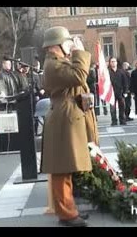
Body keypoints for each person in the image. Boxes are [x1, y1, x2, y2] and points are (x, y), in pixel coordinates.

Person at [40, 26, 98, 227]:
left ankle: (69, 209)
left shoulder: (57, 62)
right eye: (66, 43)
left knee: (66, 168)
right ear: (57, 45)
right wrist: (79, 53)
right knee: (61, 169)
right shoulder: (53, 65)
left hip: (67, 116)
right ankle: (66, 215)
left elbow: (79, 75)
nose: (69, 46)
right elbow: (79, 76)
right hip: (64, 119)